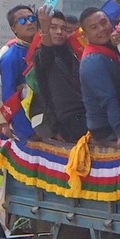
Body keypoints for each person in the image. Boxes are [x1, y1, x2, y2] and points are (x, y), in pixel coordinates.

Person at [79, 8, 120, 149]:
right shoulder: (93, 61)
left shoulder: (113, 48)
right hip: (107, 129)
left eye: (104, 23)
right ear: (85, 35)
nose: (102, 29)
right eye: (94, 28)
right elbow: (108, 98)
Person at [33, 11, 87, 143]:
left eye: (63, 28)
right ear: (41, 30)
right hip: (65, 122)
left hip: (85, 114)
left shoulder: (72, 53)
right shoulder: (41, 55)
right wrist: (45, 30)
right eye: (53, 27)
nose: (59, 32)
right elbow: (47, 54)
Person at [0, 4, 39, 139]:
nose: (29, 23)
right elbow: (9, 96)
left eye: (32, 18)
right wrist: (27, 130)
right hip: (28, 128)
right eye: (22, 21)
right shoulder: (10, 57)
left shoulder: (44, 48)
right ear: (13, 28)